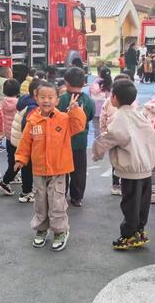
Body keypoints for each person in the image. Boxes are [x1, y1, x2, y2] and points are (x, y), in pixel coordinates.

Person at [15, 83, 85, 251]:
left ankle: (60, 231)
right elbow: (25, 142)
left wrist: (75, 110)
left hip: (58, 169)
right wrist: (20, 158)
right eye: (43, 97)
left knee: (57, 202)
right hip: (39, 170)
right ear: (36, 98)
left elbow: (79, 126)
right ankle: (41, 229)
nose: (46, 100)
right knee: (40, 202)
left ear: (57, 100)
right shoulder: (32, 120)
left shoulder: (64, 118)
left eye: (50, 97)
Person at [93, 79, 155, 250]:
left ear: (114, 97)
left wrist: (97, 153)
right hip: (146, 167)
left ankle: (128, 235)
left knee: (130, 203)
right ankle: (139, 230)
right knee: (142, 203)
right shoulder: (140, 116)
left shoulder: (119, 118)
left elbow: (109, 137)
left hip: (131, 169)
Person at [58, 67, 95, 207]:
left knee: (62, 170)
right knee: (79, 170)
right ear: (84, 82)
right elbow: (90, 117)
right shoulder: (88, 101)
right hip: (80, 140)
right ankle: (77, 197)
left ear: (66, 82)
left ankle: (61, 193)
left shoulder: (61, 99)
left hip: (63, 140)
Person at [100, 74, 137, 196]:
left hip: (127, 136)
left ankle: (125, 182)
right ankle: (115, 183)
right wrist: (104, 133)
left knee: (126, 158)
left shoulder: (133, 103)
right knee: (116, 160)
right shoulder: (109, 102)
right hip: (113, 136)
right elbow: (103, 117)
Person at [11, 78, 42, 203]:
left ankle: (26, 190)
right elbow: (27, 126)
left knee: (26, 166)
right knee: (27, 167)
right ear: (36, 94)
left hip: (19, 140)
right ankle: (26, 192)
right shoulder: (33, 107)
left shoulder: (24, 100)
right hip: (27, 143)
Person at [0, 78, 21, 195]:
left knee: (11, 158)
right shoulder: (18, 103)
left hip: (8, 134)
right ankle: (5, 182)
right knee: (18, 161)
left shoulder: (3, 102)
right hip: (17, 136)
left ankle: (13, 177)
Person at [89, 66, 112, 139]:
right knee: (107, 128)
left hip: (95, 109)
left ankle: (98, 145)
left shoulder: (94, 83)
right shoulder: (109, 84)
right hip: (106, 109)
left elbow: (90, 95)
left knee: (96, 129)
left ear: (99, 74)